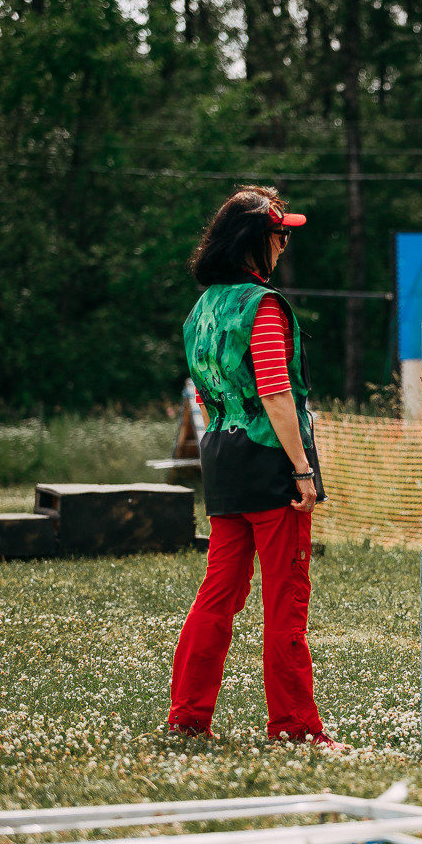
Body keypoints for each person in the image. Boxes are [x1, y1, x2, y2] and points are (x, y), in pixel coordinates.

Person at [167, 185, 348, 750]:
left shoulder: (202, 310)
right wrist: (302, 469)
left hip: (221, 464)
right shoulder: (261, 305)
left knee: (217, 595)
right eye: (280, 234)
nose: (285, 244)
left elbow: (207, 394)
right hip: (271, 467)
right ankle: (295, 725)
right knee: (286, 601)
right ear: (256, 240)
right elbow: (275, 393)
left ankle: (188, 715)